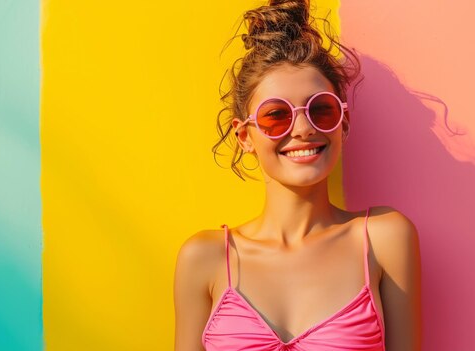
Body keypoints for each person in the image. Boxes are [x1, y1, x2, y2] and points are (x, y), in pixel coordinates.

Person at [174, 1, 422, 350]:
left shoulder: (383, 239)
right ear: (245, 136)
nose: (304, 129)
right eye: (276, 115)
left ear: (343, 123)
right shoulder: (205, 257)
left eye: (321, 110)